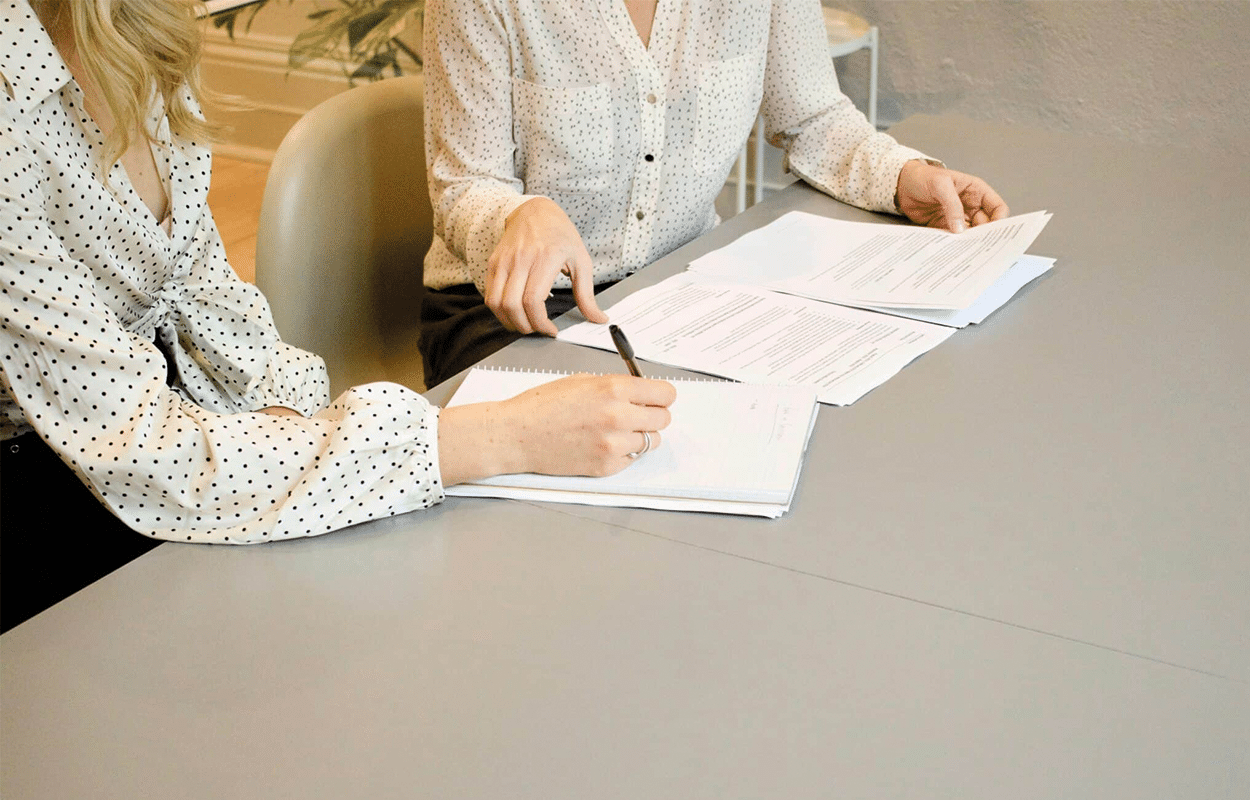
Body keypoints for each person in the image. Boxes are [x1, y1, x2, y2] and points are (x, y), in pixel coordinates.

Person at [0, 0, 675, 633]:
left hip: (162, 429)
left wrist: (292, 425)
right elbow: (143, 451)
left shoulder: (140, 35)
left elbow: (208, 302)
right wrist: (501, 437)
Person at [420, 0, 1011, 386]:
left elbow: (813, 117)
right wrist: (520, 214)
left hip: (679, 292)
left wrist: (905, 177)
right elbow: (464, 184)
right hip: (511, 311)